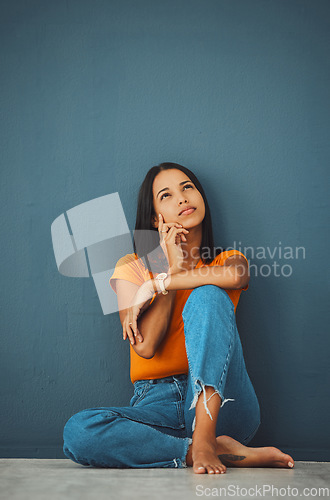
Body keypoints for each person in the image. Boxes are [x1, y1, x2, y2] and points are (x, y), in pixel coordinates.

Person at [63, 162, 295, 474]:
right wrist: (167, 268)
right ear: (154, 217)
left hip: (224, 405)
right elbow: (145, 347)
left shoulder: (225, 261)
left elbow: (237, 275)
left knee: (207, 293)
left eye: (187, 187)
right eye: (167, 195)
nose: (182, 198)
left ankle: (205, 437)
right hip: (155, 405)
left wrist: (160, 283)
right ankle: (203, 450)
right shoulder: (132, 266)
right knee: (79, 431)